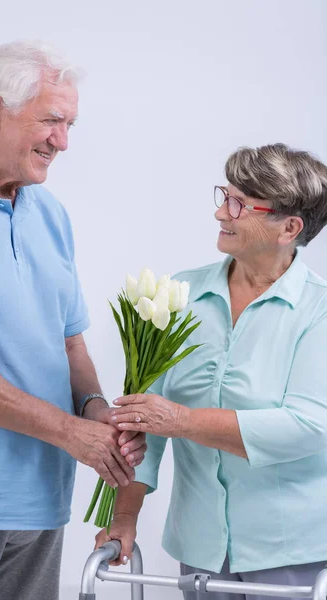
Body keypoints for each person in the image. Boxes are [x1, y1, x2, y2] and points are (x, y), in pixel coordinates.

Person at [0, 40, 146, 600]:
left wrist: (96, 411)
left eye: (70, 124)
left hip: (42, 499)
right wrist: (72, 433)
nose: (63, 141)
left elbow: (70, 344)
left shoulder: (49, 213)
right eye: (51, 120)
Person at [96, 143, 327, 600]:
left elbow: (307, 426)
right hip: (198, 547)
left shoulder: (318, 310)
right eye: (224, 195)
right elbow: (144, 426)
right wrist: (123, 518)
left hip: (289, 551)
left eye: (239, 204)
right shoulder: (181, 293)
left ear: (290, 228)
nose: (222, 213)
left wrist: (181, 420)